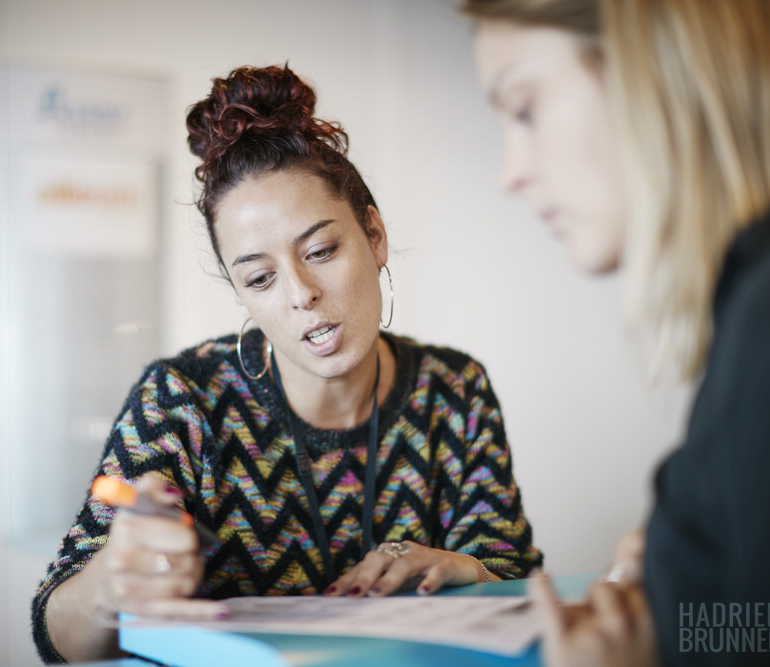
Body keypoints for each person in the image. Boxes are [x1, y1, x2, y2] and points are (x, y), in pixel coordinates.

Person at [30, 63, 543, 664]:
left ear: (374, 235)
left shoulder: (454, 391)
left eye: (321, 250)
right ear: (240, 290)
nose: (300, 293)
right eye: (260, 277)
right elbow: (56, 631)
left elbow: (517, 583)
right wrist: (108, 588)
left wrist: (469, 570)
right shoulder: (183, 400)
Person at [461, 0, 770, 664]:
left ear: (651, 71)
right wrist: (682, 596)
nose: (511, 173)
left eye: (524, 109)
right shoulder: (757, 303)